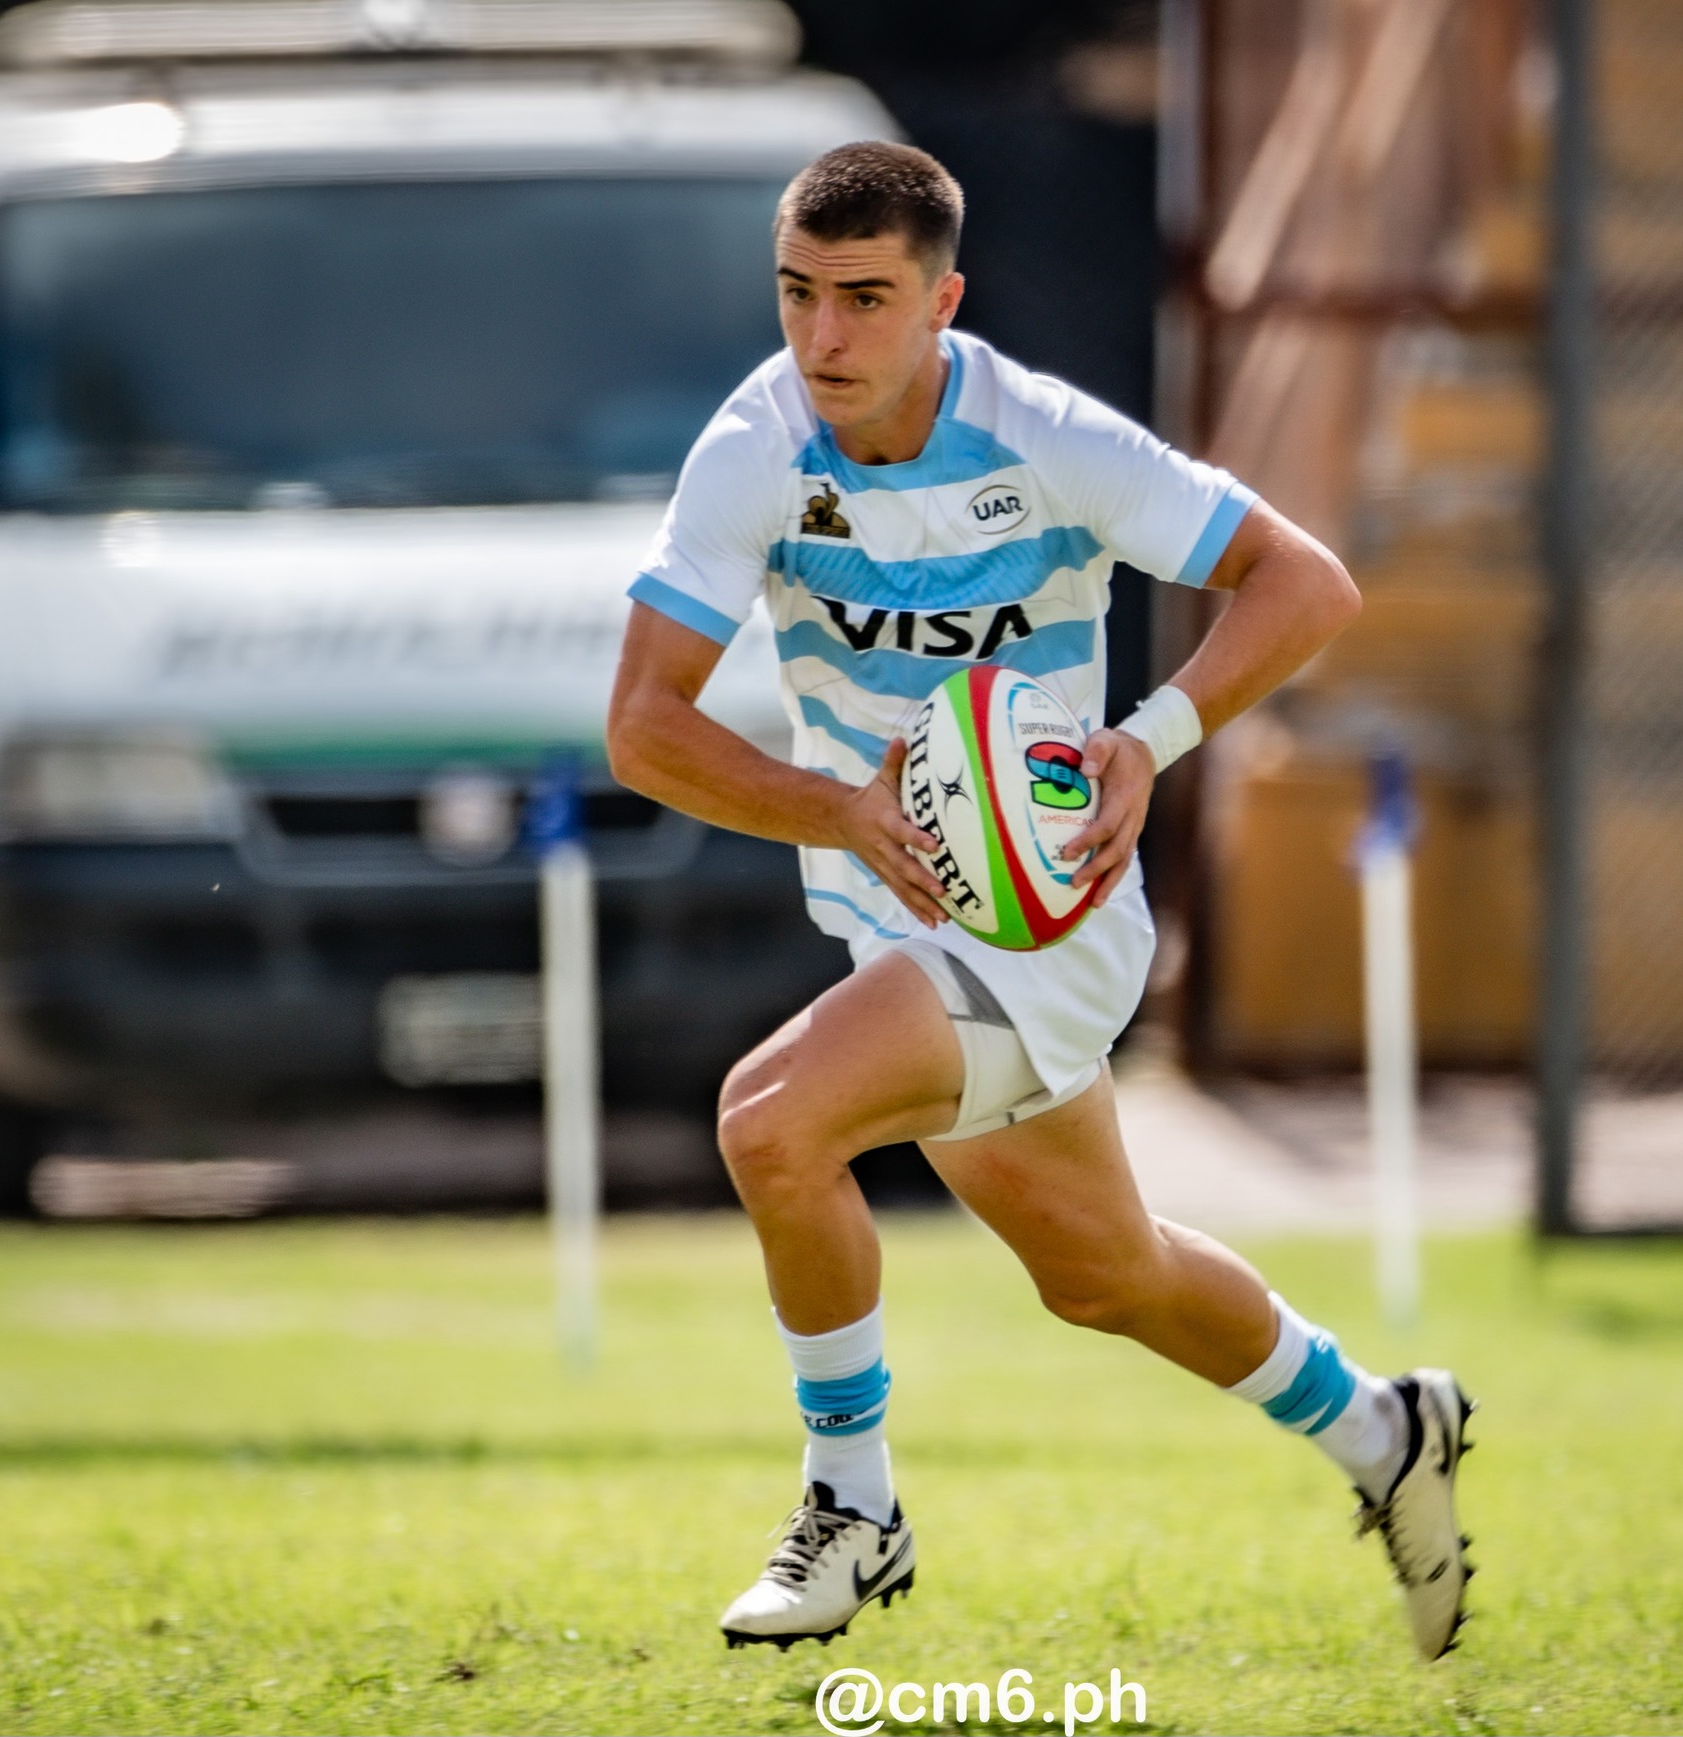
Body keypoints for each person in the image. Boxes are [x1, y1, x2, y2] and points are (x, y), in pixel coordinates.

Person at [605, 141, 1474, 1663]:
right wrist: (840, 812)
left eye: (867, 301)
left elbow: (1305, 581)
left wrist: (1151, 736)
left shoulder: (1049, 438)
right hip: (892, 916)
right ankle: (1384, 1424)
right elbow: (645, 725)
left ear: (946, 298)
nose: (825, 339)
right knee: (1106, 1274)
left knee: (770, 1120)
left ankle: (852, 1509)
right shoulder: (757, 446)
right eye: (800, 296)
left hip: (1045, 921)